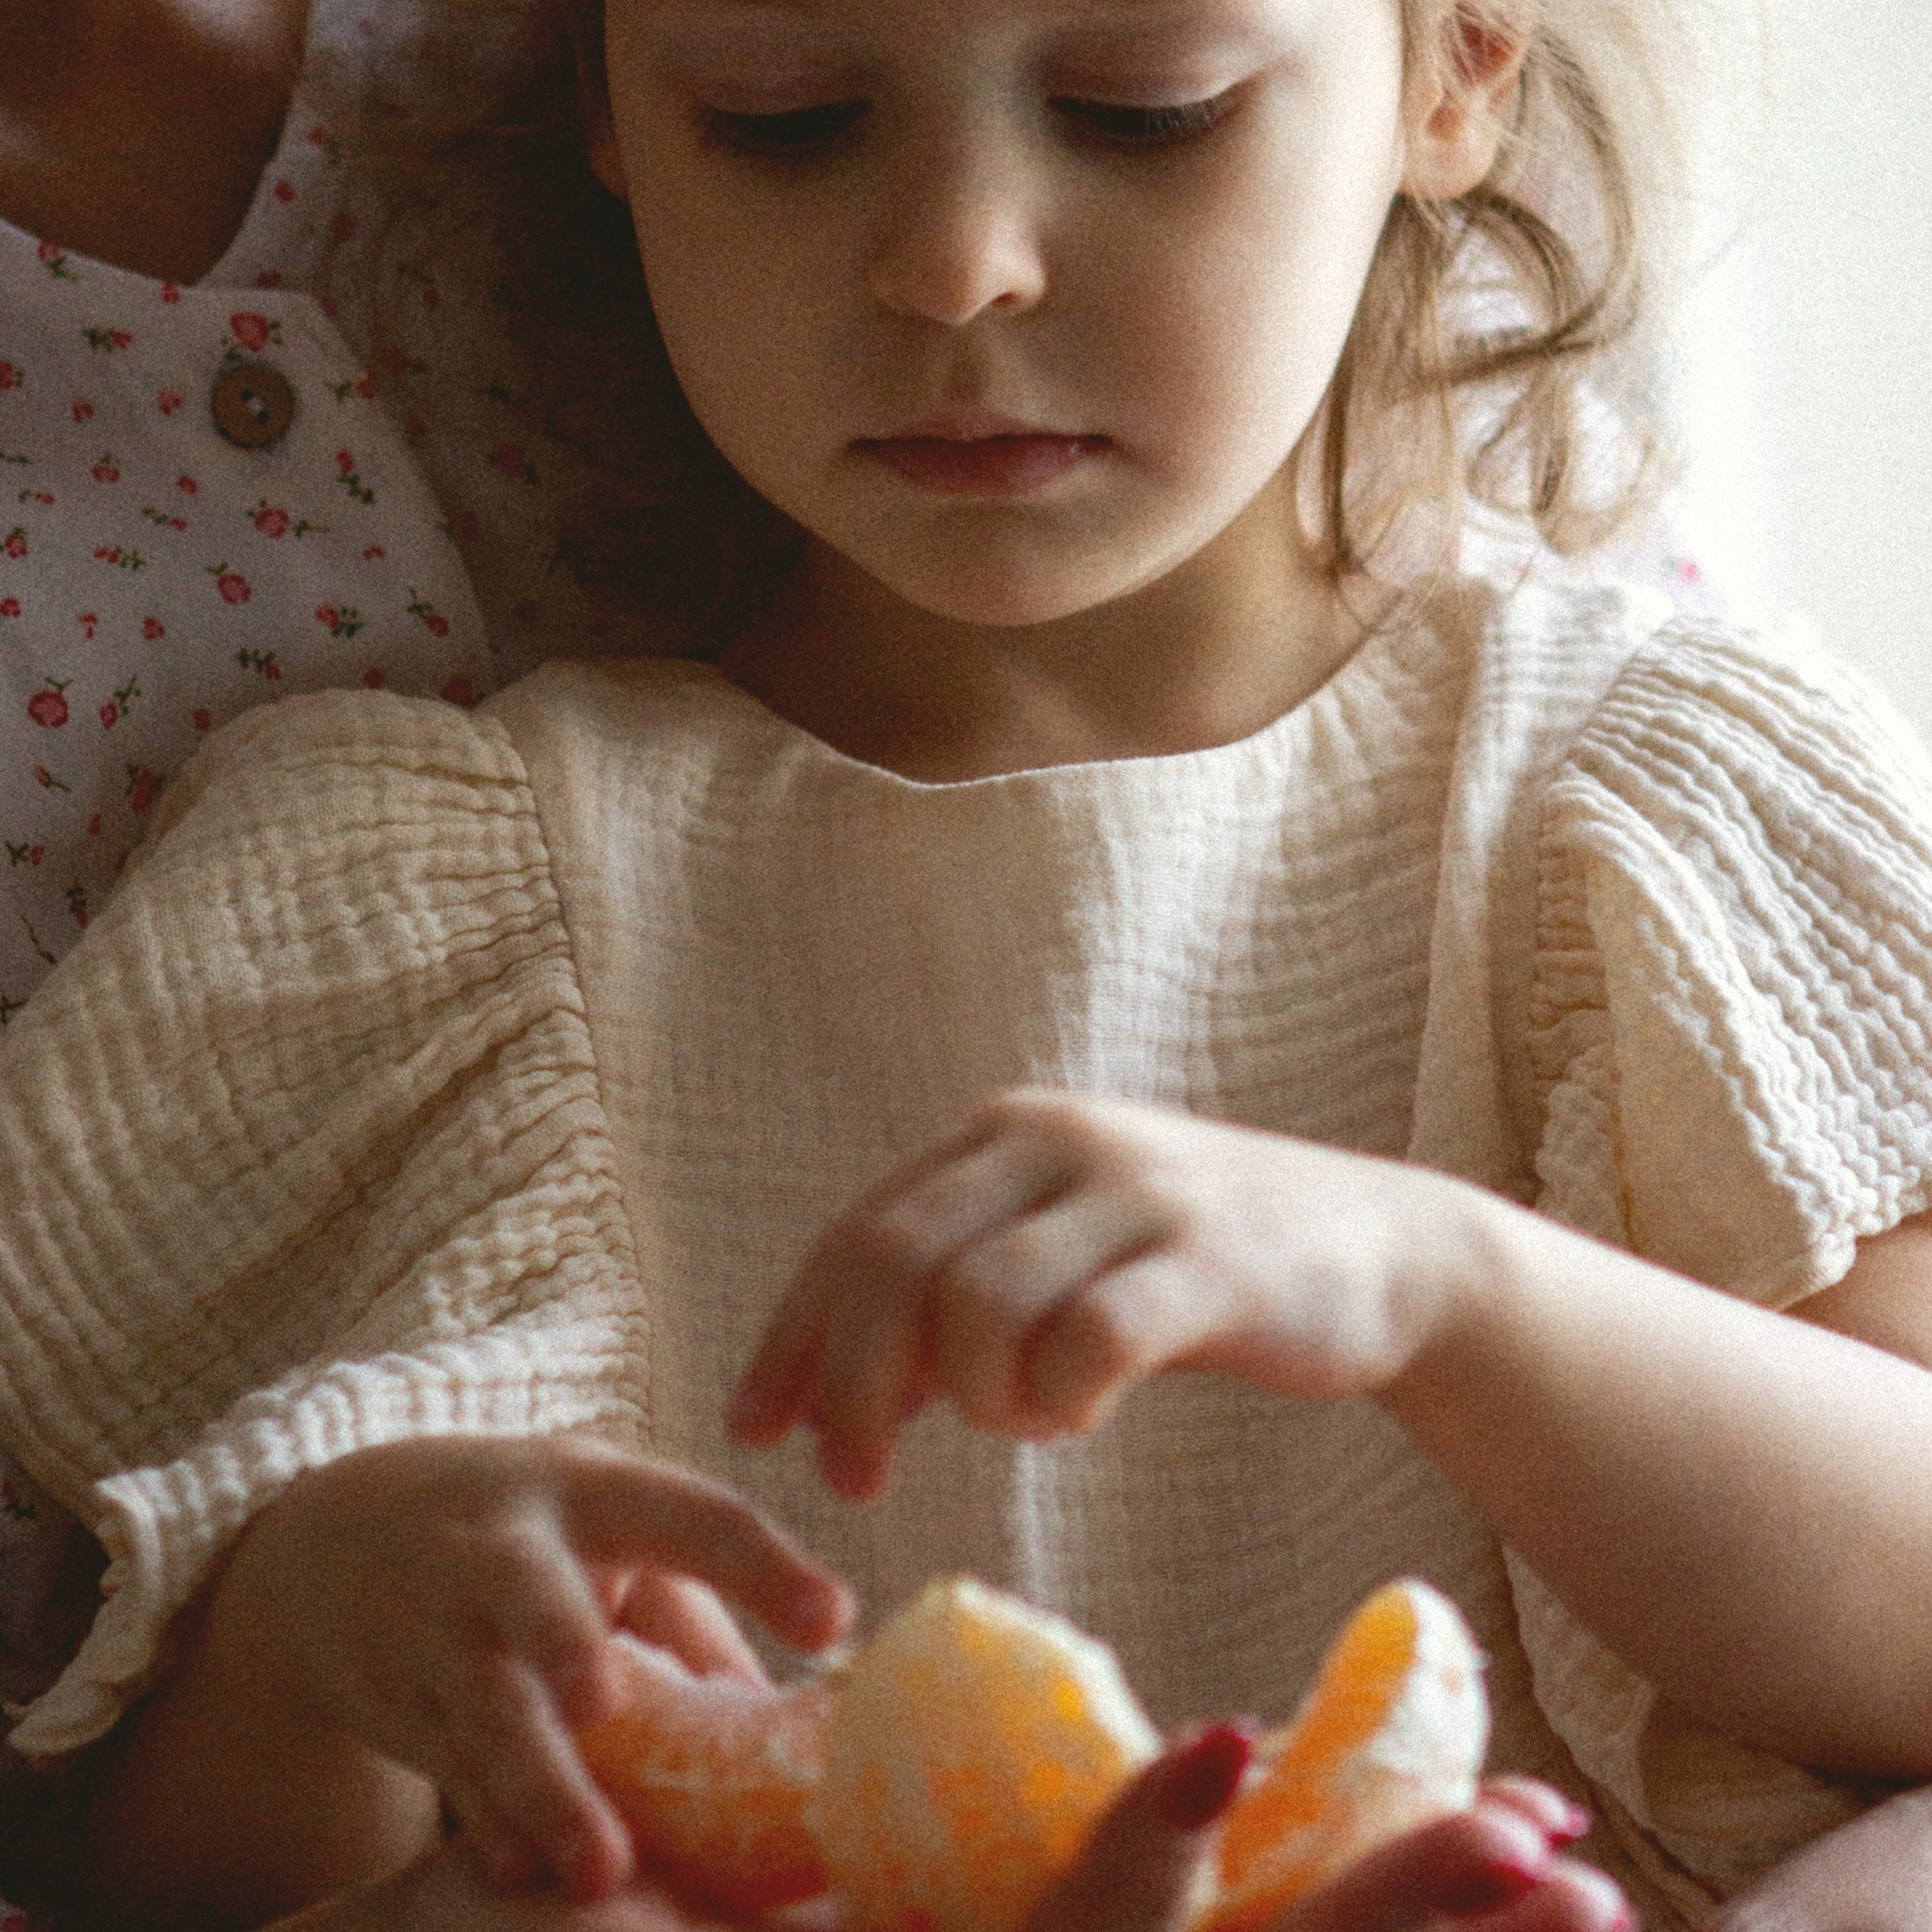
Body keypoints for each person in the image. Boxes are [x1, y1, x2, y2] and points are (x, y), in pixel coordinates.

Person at [5, 0, 1932, 1926]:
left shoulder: (1635, 802)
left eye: (1141, 111)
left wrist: (1444, 1289)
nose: (953, 260)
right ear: (606, 105)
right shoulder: (420, 900)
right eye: (787, 119)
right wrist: (310, 1635)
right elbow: (163, 1884)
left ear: (1458, 71)